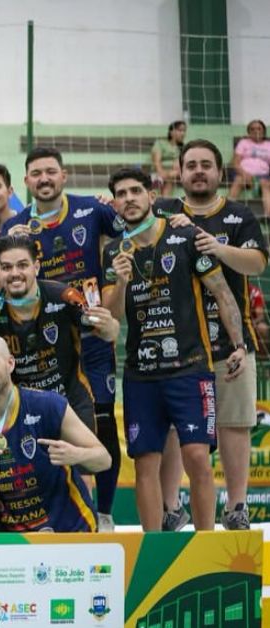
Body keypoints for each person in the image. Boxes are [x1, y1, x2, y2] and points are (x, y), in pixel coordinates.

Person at [101, 167, 248, 532]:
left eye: (136, 191)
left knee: (197, 455)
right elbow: (112, 315)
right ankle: (153, 549)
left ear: (153, 196)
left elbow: (222, 292)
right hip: (140, 375)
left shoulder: (184, 235)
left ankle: (205, 543)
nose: (129, 198)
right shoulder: (114, 252)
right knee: (146, 463)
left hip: (191, 367)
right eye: (121, 193)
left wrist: (240, 345)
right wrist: (120, 281)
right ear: (115, 203)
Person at [0, 235, 120, 528]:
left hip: (69, 397)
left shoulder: (63, 297)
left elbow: (109, 333)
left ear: (36, 266)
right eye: (6, 267)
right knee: (30, 476)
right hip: (20, 407)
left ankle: (89, 529)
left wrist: (109, 325)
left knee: (81, 469)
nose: (14, 273)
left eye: (22, 265)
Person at [2, 147, 122, 524]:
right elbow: (4, 281)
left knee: (100, 426)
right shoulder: (17, 226)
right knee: (45, 432)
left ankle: (102, 514)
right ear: (26, 181)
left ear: (64, 175)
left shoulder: (92, 209)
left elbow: (135, 224)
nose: (44, 179)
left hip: (92, 338)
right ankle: (52, 516)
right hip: (47, 343)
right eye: (36, 173)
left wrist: (117, 276)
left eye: (50, 172)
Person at [153, 141, 269, 531]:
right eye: (191, 165)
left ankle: (236, 507)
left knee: (234, 425)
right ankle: (170, 508)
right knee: (171, 426)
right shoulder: (164, 212)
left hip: (231, 344)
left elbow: (256, 261)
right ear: (180, 173)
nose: (198, 171)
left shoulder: (238, 215)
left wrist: (217, 247)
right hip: (176, 345)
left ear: (221, 173)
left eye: (206, 165)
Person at [0, 334, 109, 532]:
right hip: (13, 530)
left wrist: (77, 455)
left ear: (10, 364)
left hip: (66, 525)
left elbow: (104, 459)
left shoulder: (47, 404)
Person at [228, 119, 270, 217]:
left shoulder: (268, 145)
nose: (256, 131)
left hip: (264, 176)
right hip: (244, 174)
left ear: (263, 131)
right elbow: (235, 162)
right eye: (253, 129)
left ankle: (268, 216)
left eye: (259, 129)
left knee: (265, 185)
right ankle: (225, 212)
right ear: (249, 132)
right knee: (239, 180)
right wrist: (244, 174)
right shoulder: (244, 142)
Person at [151, 121, 186, 196]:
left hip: (175, 173)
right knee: (170, 179)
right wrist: (162, 173)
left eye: (184, 131)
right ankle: (164, 201)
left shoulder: (182, 148)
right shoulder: (160, 143)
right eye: (180, 130)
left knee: (176, 168)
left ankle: (158, 183)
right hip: (160, 172)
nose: (183, 133)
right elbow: (157, 161)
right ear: (171, 132)